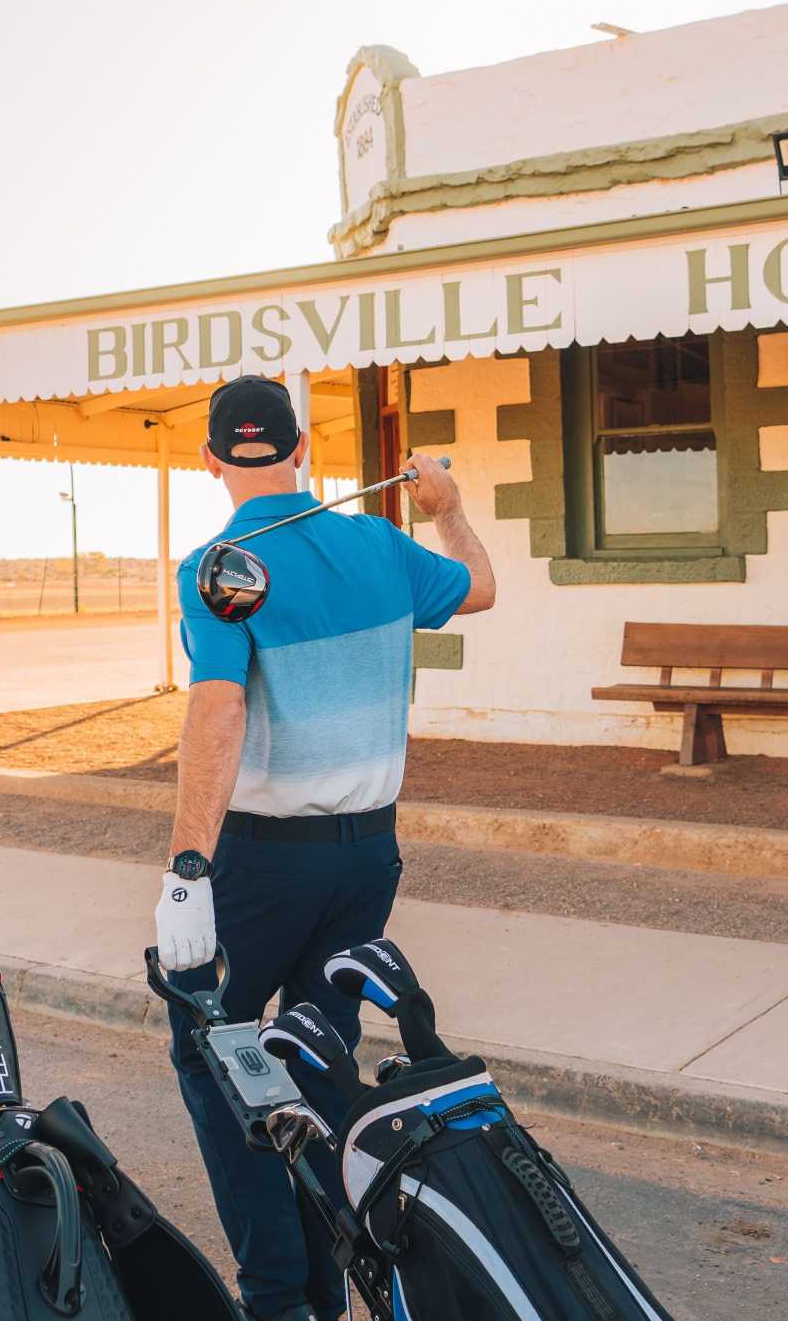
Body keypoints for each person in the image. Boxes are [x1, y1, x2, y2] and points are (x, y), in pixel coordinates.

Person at [155, 375, 496, 1321]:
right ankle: (327, 1280)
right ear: (301, 448)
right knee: (313, 1053)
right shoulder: (383, 541)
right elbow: (483, 586)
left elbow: (217, 708)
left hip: (264, 863)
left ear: (214, 460)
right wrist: (450, 508)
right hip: (366, 856)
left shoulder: (221, 564)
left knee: (212, 1045)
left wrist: (188, 868)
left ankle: (280, 1295)